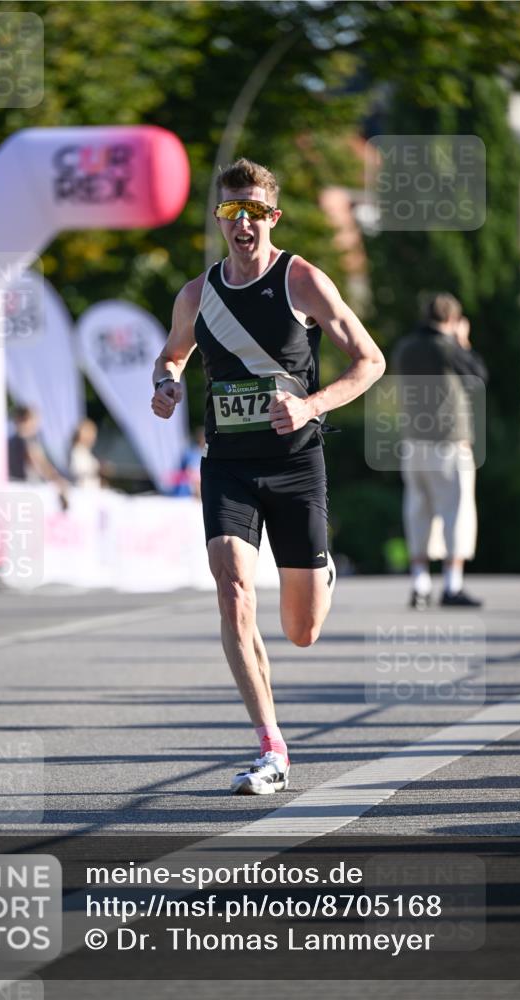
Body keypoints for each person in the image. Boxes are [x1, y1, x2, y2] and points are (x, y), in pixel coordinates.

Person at [151, 158, 385, 795]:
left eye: (255, 211)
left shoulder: (302, 280)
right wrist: (166, 387)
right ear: (220, 218)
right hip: (227, 464)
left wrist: (310, 404)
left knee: (301, 631)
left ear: (272, 217)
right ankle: (271, 748)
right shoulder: (197, 294)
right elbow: (172, 356)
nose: (244, 223)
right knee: (231, 587)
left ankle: (321, 569)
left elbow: (370, 361)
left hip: (294, 465)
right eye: (232, 211)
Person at [391, 293, 488, 609]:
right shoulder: (448, 347)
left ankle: (419, 584)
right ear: (452, 319)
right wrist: (463, 341)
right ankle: (451, 585)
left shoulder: (405, 347)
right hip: (449, 442)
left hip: (413, 442)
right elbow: (478, 376)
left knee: (418, 512)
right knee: (455, 513)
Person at [7, 405, 71, 507]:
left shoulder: (10, 440)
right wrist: (56, 478)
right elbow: (38, 462)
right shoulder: (27, 440)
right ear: (27, 419)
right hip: (27, 490)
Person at [69, 418, 102, 490]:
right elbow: (77, 469)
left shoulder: (86, 452)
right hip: (84, 490)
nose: (94, 438)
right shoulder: (78, 451)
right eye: (93, 434)